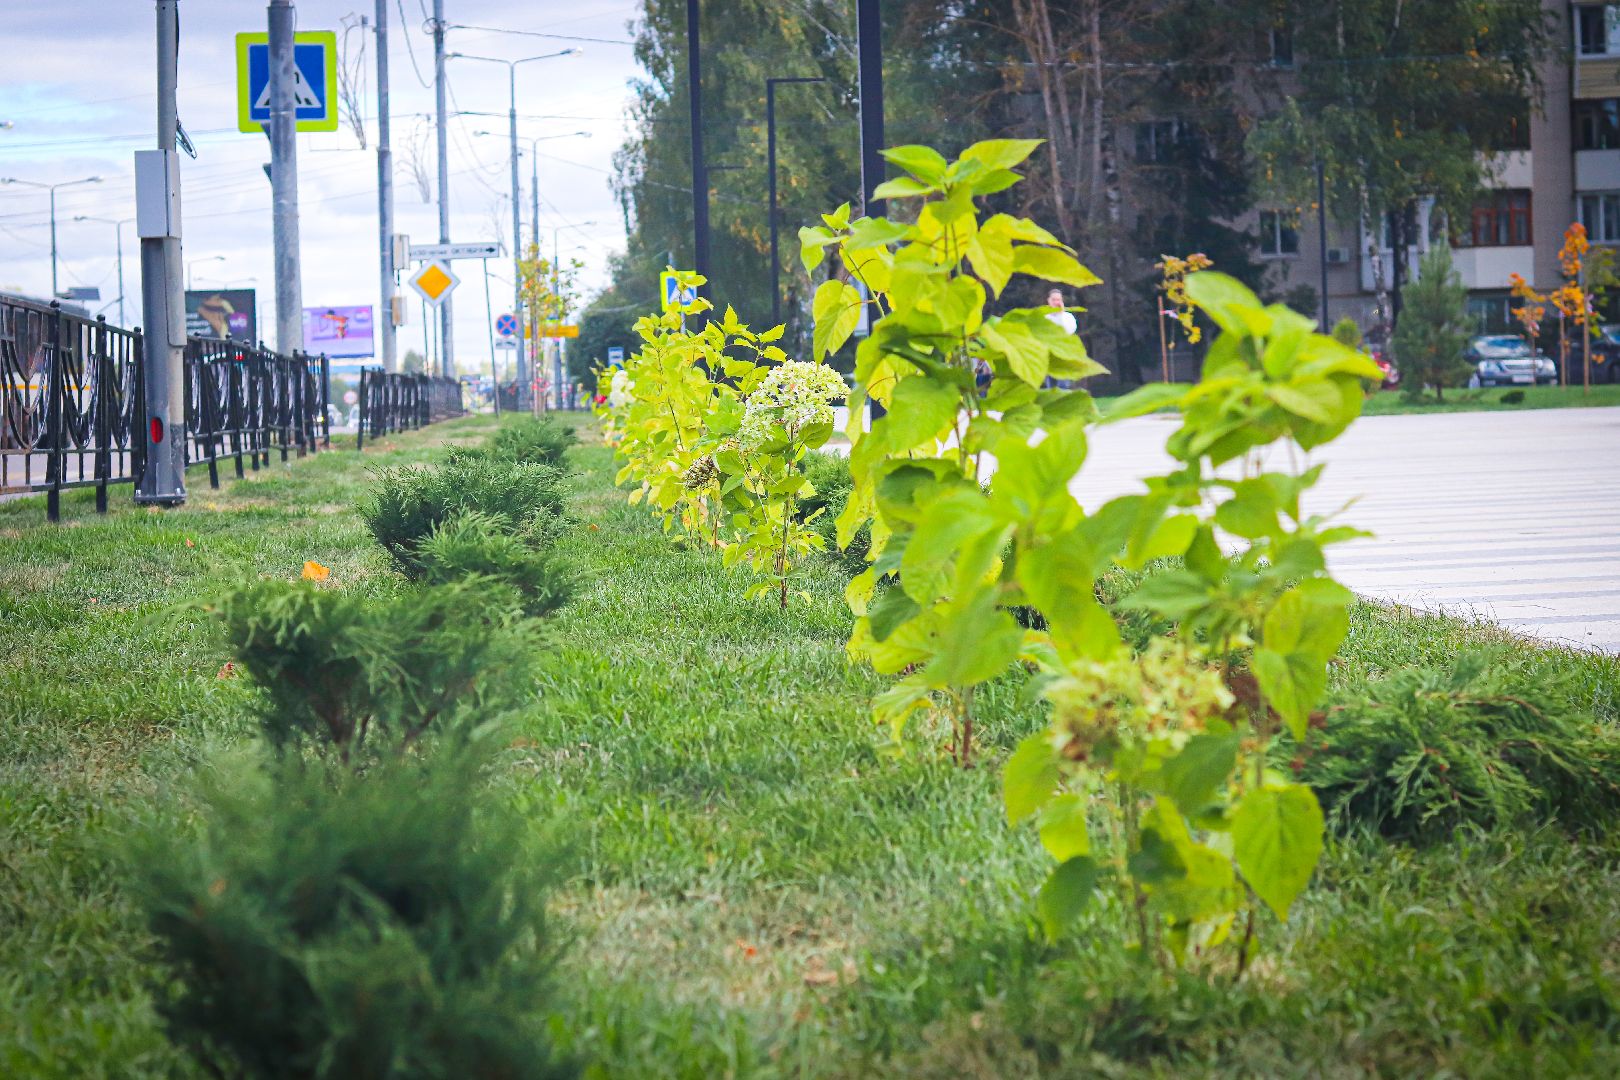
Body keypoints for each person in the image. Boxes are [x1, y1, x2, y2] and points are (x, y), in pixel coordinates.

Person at [1044, 287, 1077, 387]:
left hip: (1063, 352)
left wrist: (1060, 315)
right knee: (1049, 383)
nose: (1056, 302)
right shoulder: (1043, 317)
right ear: (1049, 301)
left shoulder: (1068, 317)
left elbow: (1068, 331)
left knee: (1063, 383)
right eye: (1053, 300)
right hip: (1047, 352)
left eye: (1058, 300)